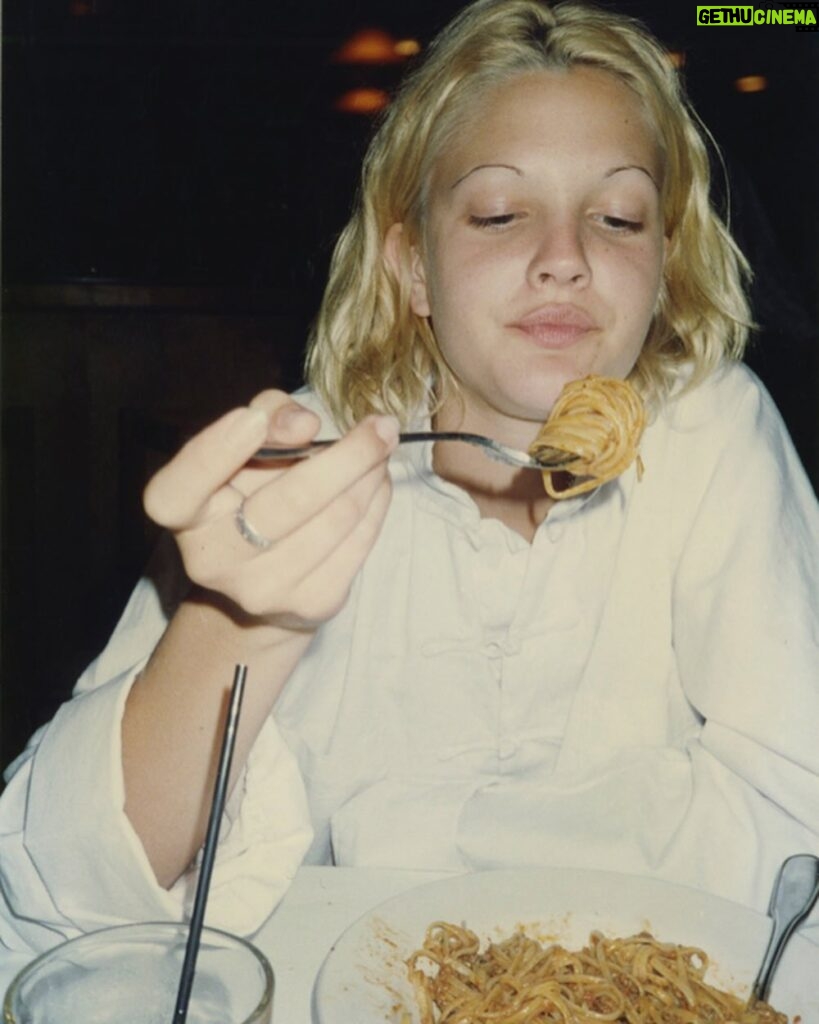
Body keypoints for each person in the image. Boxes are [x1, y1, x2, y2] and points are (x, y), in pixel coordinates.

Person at [1, 0, 817, 954]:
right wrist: (236, 621)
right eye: (500, 213)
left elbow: (792, 814)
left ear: (662, 261)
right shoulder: (308, 458)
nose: (564, 258)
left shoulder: (714, 427)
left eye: (618, 216)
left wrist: (405, 829)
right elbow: (51, 899)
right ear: (413, 267)